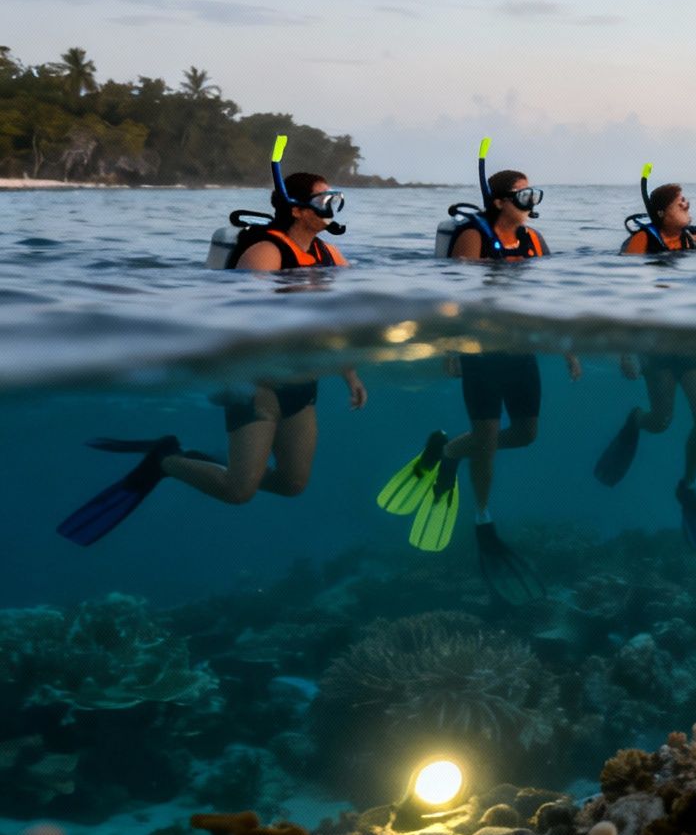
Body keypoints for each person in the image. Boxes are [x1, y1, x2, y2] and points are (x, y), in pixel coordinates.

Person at [57, 172, 367, 546]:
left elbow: (344, 316)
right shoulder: (266, 252)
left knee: (292, 484)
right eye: (326, 201)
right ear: (299, 211)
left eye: (337, 199)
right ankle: (164, 460)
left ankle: (218, 460)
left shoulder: (327, 253)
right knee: (238, 491)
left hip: (302, 381)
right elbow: (242, 324)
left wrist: (349, 372)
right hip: (258, 384)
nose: (335, 208)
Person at [378, 167, 577, 603]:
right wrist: (452, 345)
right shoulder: (473, 237)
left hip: (521, 347)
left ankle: (447, 452)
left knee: (526, 434)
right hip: (481, 348)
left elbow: (550, 295)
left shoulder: (534, 241)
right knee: (486, 438)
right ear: (501, 201)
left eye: (533, 194)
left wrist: (567, 345)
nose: (531, 203)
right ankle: (483, 517)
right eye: (523, 196)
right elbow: (457, 296)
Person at [594, 180, 696, 560]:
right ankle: (635, 419)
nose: (687, 204)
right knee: (661, 420)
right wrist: (625, 350)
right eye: (679, 202)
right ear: (661, 213)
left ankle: (686, 486)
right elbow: (620, 298)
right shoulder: (640, 244)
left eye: (687, 199)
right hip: (655, 346)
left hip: (691, 344)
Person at [620, 182, 696, 254]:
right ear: (662, 213)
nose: (686, 205)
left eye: (684, 200)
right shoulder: (642, 239)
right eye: (679, 204)